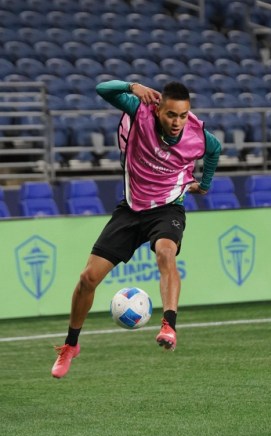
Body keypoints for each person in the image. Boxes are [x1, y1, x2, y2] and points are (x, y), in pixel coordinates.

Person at [51, 80, 222, 378]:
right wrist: (132, 86)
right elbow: (103, 90)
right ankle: (71, 345)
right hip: (131, 209)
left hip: (167, 208)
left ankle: (169, 325)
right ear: (159, 110)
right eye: (171, 114)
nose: (177, 122)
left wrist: (203, 185)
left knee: (166, 254)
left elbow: (215, 149)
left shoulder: (197, 135)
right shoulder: (140, 111)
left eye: (183, 115)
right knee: (87, 278)